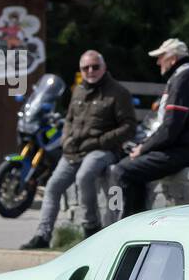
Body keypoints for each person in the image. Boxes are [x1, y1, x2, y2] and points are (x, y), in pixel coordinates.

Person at [20, 52, 134, 249]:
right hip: (73, 150)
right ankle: (43, 235)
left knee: (84, 176)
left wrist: (101, 140)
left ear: (104, 68)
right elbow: (69, 119)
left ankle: (91, 227)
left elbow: (129, 127)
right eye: (85, 68)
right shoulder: (78, 90)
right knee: (53, 186)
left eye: (95, 67)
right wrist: (66, 138)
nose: (90, 71)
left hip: (102, 149)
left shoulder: (118, 92)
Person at [110, 37, 189, 220]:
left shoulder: (184, 79)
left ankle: (118, 231)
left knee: (122, 170)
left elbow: (170, 128)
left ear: (173, 59)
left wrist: (142, 149)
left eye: (161, 57)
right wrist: (144, 147)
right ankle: (136, 226)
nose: (158, 62)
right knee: (132, 169)